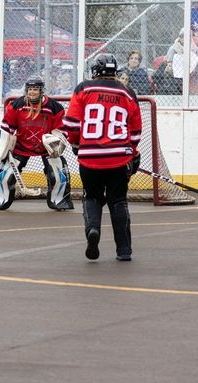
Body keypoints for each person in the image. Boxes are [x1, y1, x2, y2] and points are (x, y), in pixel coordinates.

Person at [63, 53, 142, 261]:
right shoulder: (128, 92)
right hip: (119, 157)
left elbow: (70, 123)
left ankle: (92, 230)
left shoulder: (83, 88)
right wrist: (132, 153)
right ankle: (124, 250)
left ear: (95, 70)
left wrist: (76, 143)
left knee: (92, 197)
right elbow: (135, 131)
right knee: (118, 201)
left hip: (90, 157)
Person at [0, 76, 73, 211]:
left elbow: (61, 129)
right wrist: (5, 141)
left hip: (46, 147)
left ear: (41, 91)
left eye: (35, 89)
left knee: (58, 174)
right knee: (4, 175)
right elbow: (7, 126)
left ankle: (59, 200)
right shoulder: (17, 105)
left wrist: (55, 139)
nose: (32, 92)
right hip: (22, 145)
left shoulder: (54, 107)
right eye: (30, 89)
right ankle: (0, 199)